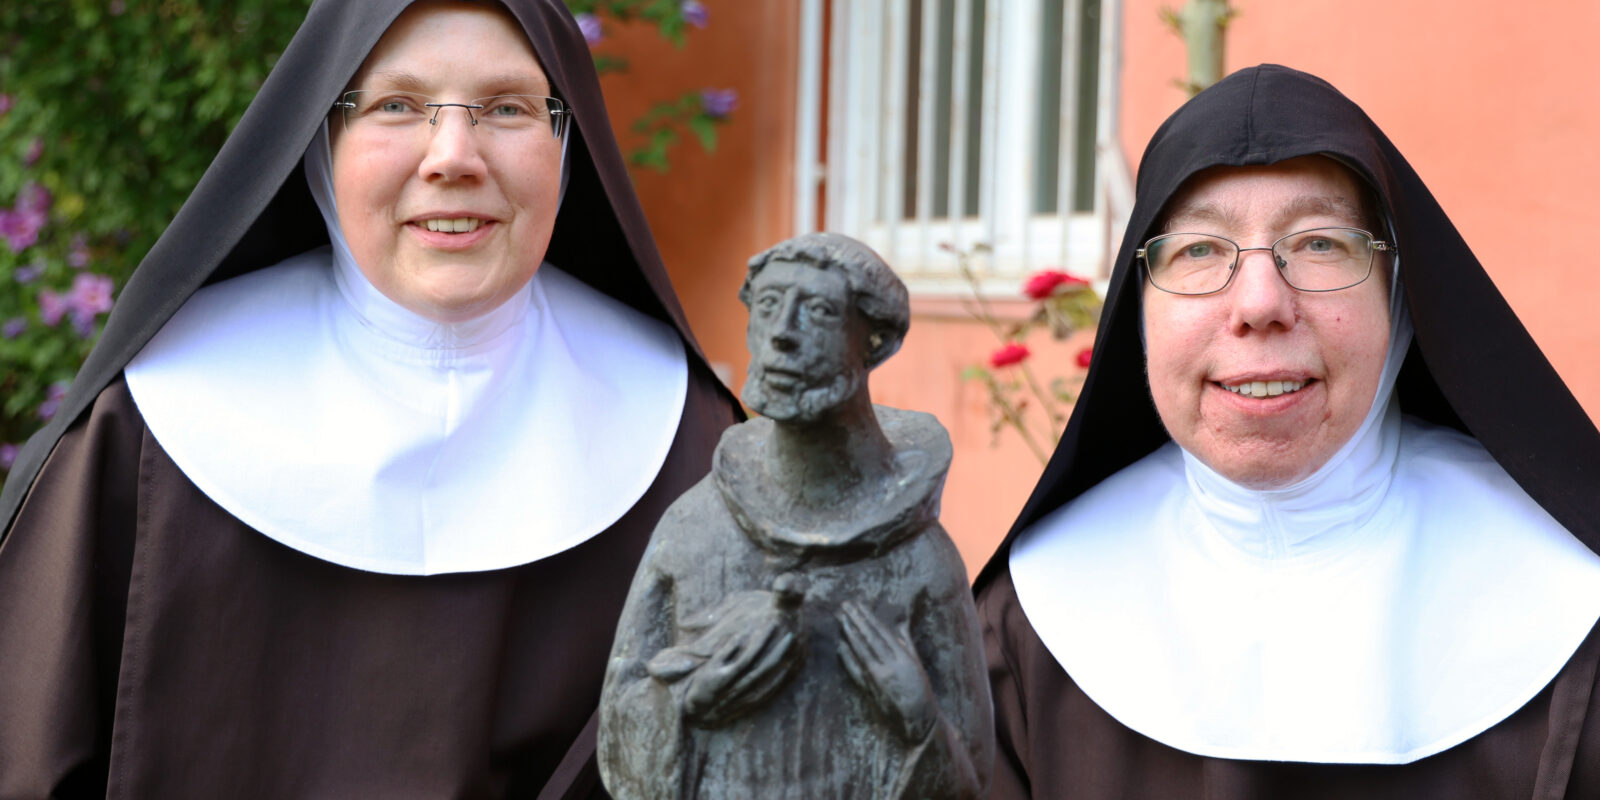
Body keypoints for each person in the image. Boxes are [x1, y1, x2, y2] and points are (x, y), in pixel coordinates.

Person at [0, 0, 739, 796]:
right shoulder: (145, 428)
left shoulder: (691, 444)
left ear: (567, 145)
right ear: (321, 140)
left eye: (507, 109)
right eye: (396, 105)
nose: (453, 155)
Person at [975, 64, 1600, 798]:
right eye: (1199, 250)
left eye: (1320, 244)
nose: (1260, 303)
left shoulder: (1570, 605)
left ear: (1400, 300)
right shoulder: (1026, 625)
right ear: (1138, 311)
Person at [598, 233, 992, 799]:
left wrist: (919, 720)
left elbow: (972, 777)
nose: (782, 334)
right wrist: (687, 703)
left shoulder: (921, 559)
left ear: (874, 343)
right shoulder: (694, 529)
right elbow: (619, 725)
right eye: (767, 306)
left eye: (820, 311)